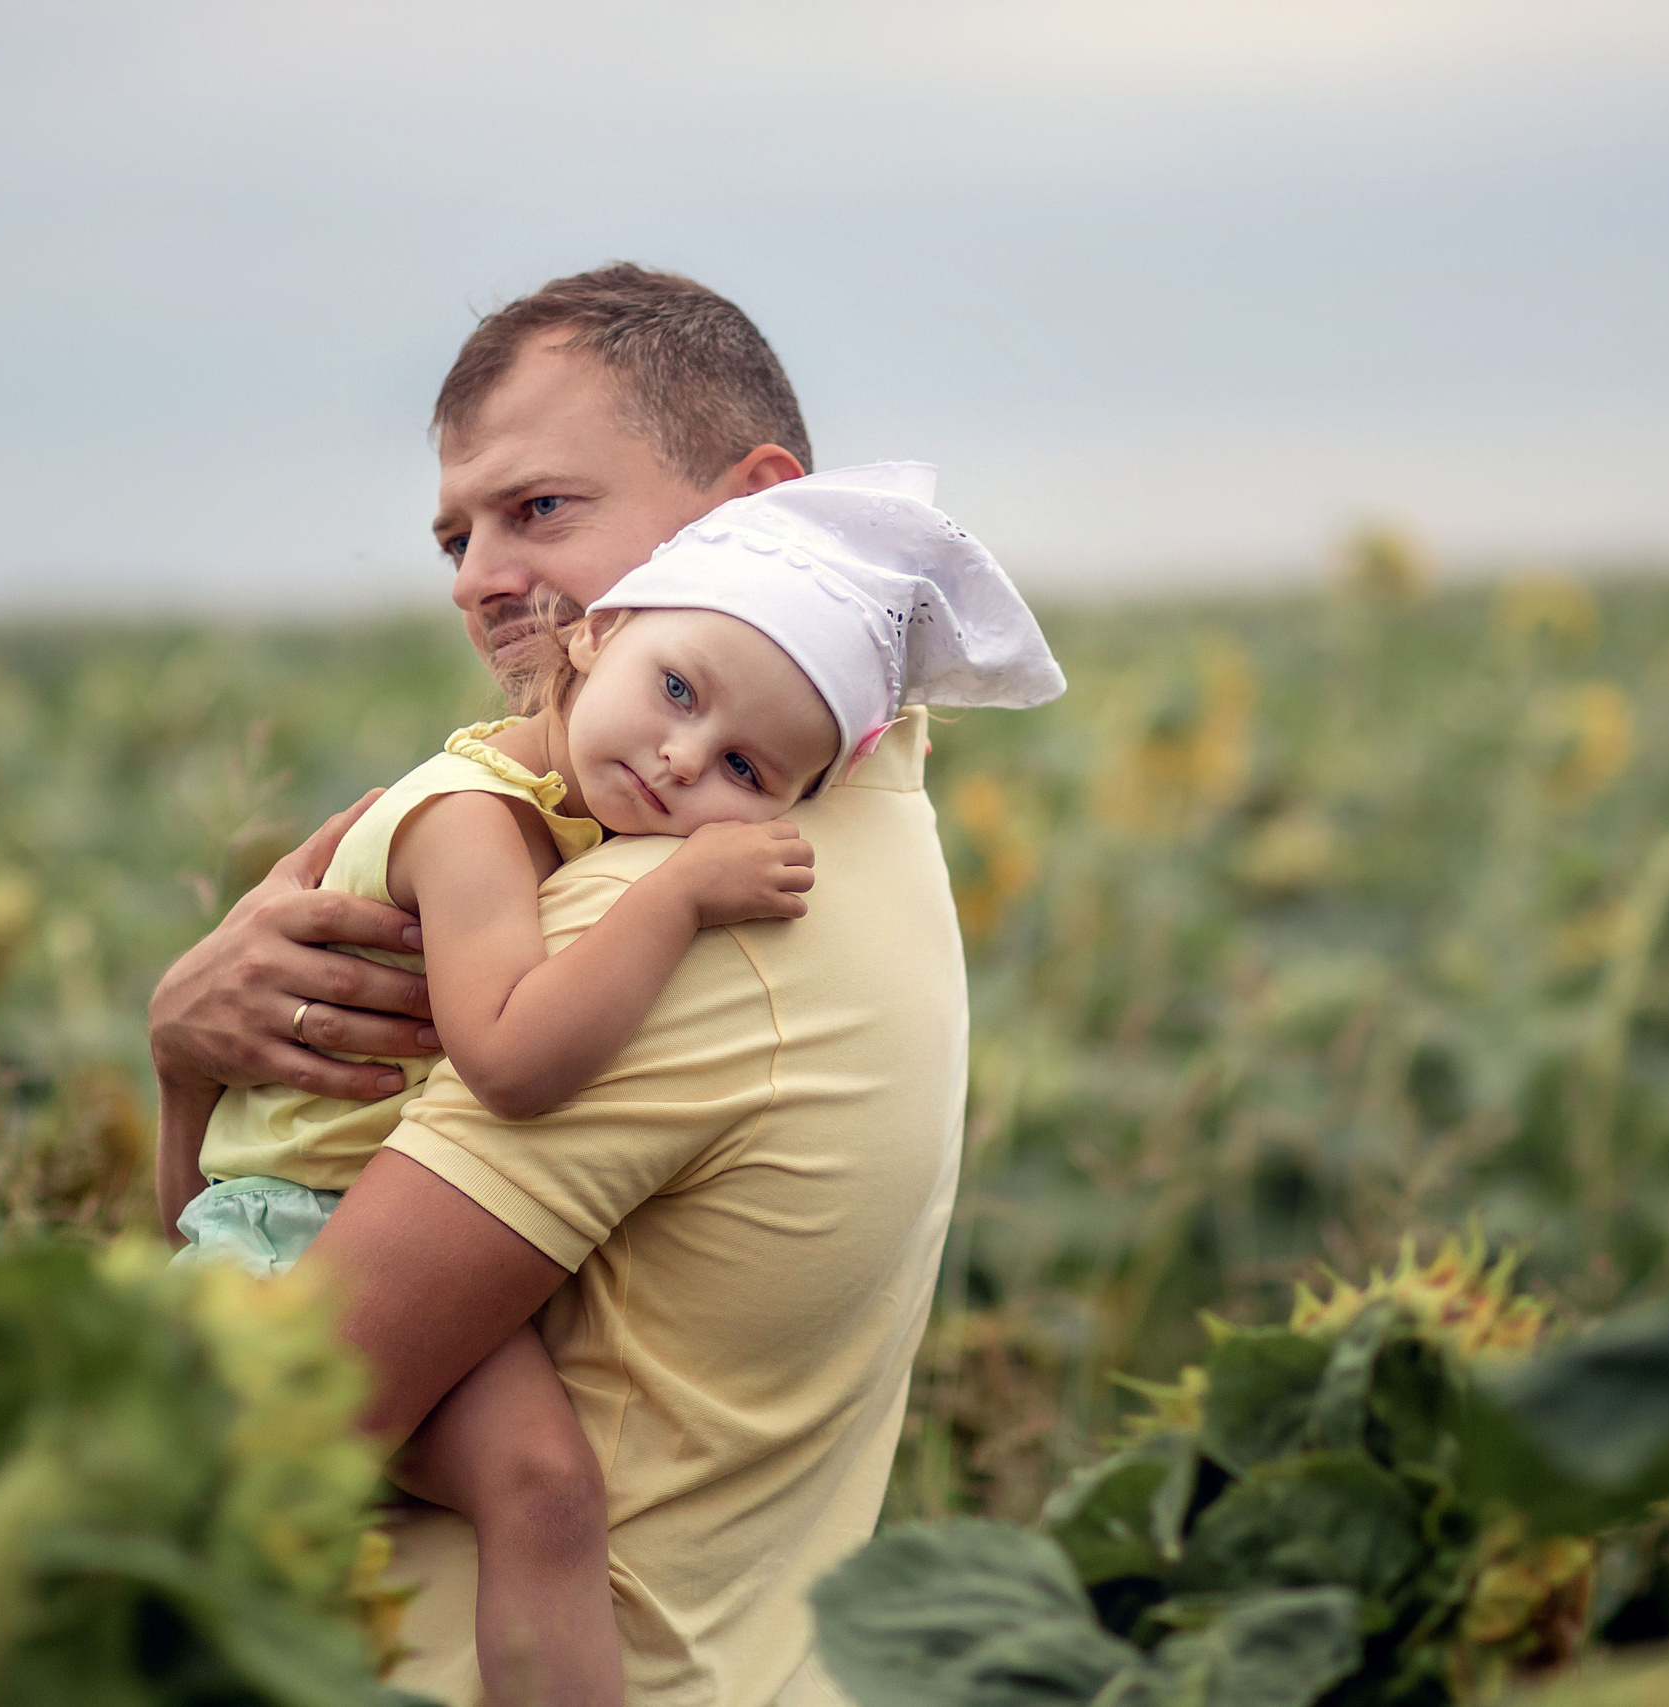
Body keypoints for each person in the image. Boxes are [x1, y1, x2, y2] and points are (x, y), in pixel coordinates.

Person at [147, 265, 1055, 1701]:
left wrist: (186, 1079)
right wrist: (194, 1066)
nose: (477, 578)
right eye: (456, 533)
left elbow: (260, 1427)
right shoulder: (822, 828)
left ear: (756, 506)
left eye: (541, 509)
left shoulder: (684, 907)